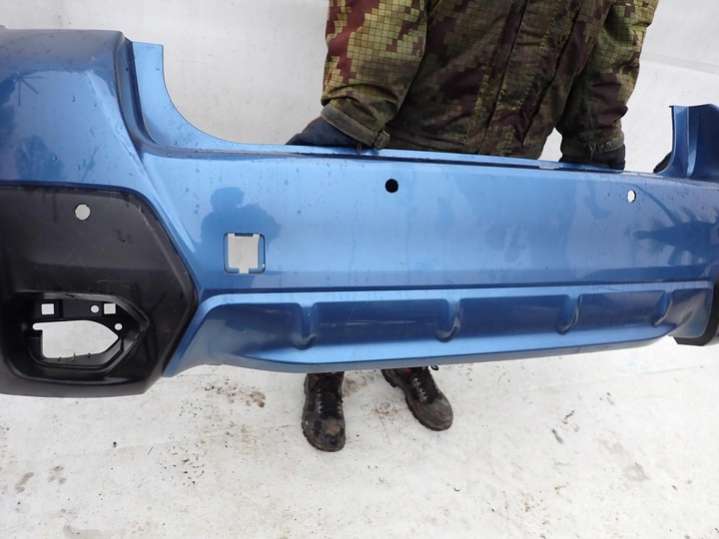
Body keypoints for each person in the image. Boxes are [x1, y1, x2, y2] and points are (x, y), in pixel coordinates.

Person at [289, 0, 658, 452]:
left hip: (521, 119)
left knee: (447, 260)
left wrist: (596, 128)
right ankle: (326, 366)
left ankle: (407, 354)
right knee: (364, 249)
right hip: (428, 98)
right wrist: (359, 105)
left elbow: (623, 19)